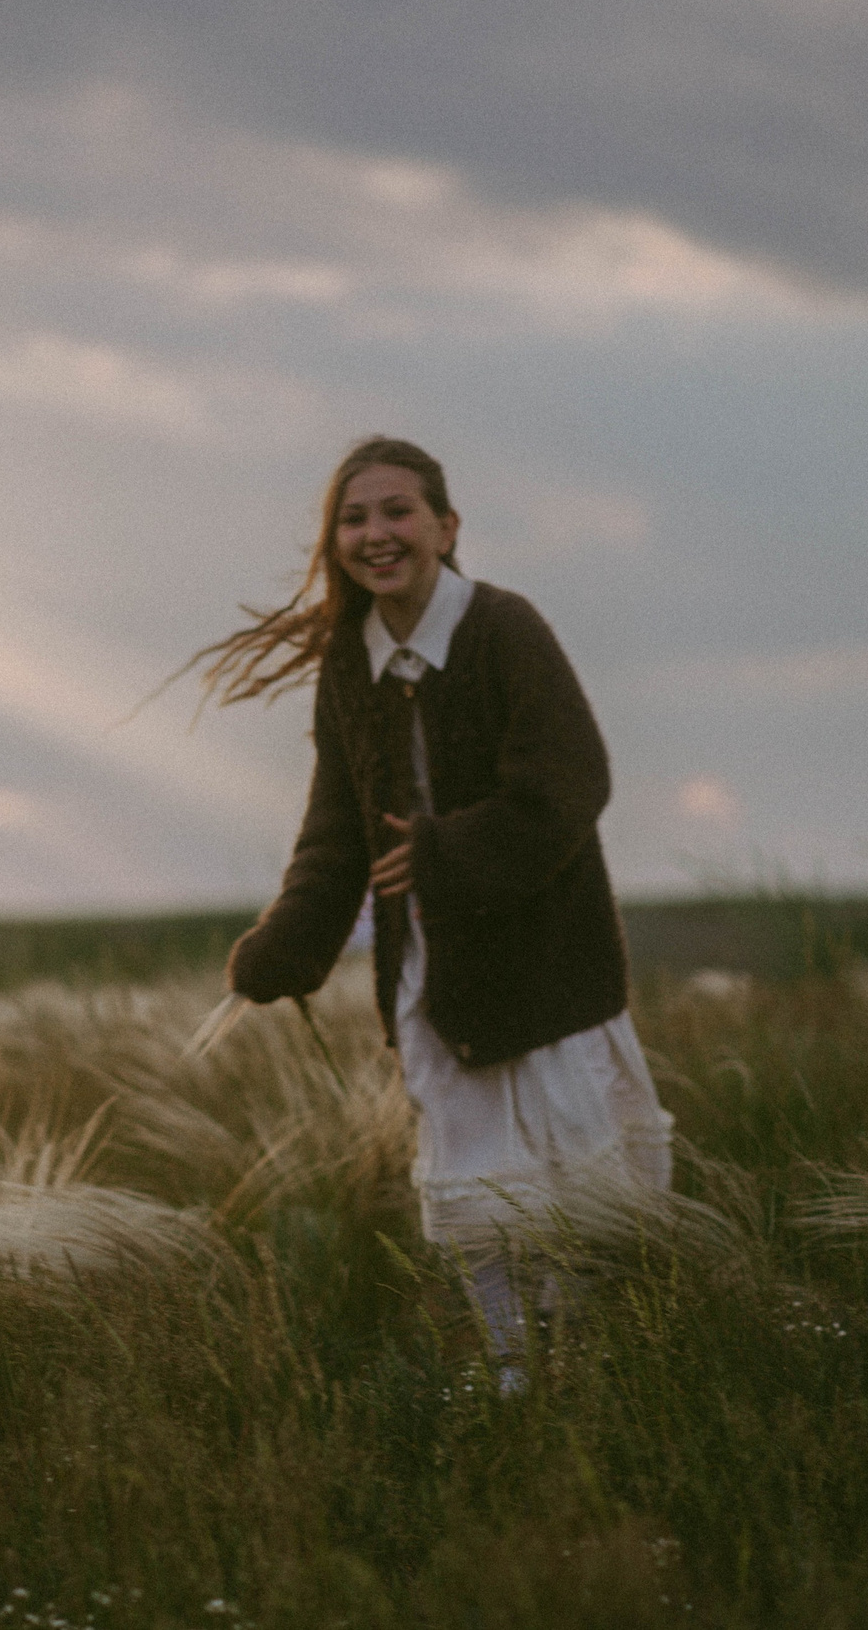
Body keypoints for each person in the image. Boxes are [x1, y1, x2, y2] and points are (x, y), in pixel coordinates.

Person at [197, 436, 672, 1387]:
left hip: (546, 970)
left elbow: (573, 782)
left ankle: (594, 1379)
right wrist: (287, 944)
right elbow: (336, 831)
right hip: (434, 979)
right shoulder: (349, 663)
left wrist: (451, 851)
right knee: (483, 1207)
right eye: (354, 517)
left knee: (578, 1201)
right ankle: (512, 1382)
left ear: (446, 528)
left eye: (397, 511)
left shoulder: (503, 628)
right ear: (336, 541)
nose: (377, 533)